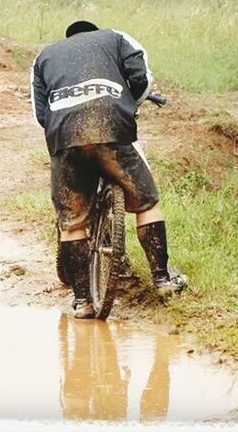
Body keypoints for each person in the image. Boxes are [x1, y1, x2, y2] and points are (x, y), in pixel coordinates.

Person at [31, 20, 188, 319]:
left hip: (65, 137)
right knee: (147, 202)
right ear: (94, 33)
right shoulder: (116, 38)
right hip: (111, 125)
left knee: (73, 223)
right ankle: (162, 280)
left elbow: (41, 113)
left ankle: (82, 302)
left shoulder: (45, 56)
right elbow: (141, 79)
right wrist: (127, 105)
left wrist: (64, 132)